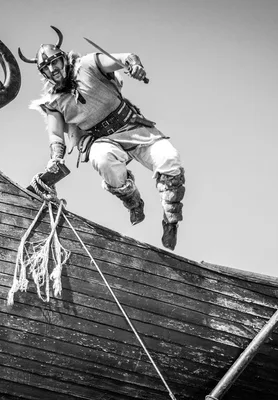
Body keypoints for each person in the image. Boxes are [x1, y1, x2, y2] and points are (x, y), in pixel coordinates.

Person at [19, 26, 185, 250]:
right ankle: (133, 201)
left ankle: (170, 221)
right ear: (44, 73)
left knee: (170, 159)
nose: (52, 69)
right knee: (103, 160)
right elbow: (56, 133)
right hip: (103, 141)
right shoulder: (55, 102)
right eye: (46, 67)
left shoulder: (88, 64)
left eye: (54, 62)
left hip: (134, 127)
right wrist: (56, 159)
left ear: (63, 58)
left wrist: (134, 66)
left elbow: (124, 58)